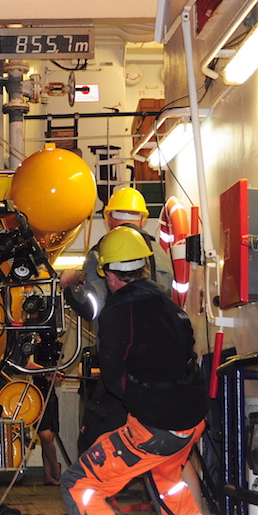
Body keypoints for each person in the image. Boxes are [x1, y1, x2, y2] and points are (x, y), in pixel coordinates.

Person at [59, 226, 208, 515]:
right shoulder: (169, 306)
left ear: (110, 276)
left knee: (79, 483)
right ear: (144, 267)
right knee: (169, 485)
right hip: (191, 421)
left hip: (155, 428)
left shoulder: (118, 313)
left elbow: (116, 382)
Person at [59, 186, 173, 454]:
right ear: (143, 219)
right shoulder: (161, 256)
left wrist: (68, 286)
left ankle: (99, 493)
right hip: (162, 365)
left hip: (122, 362)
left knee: (96, 442)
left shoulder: (103, 253)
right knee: (157, 440)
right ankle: (159, 493)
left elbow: (92, 308)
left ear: (109, 218)